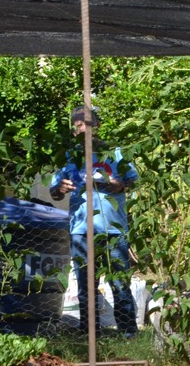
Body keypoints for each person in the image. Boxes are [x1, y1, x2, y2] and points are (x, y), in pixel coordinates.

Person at [49, 104, 138, 336]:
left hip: (113, 229)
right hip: (82, 229)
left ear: (98, 126)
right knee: (86, 285)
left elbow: (131, 180)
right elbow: (54, 192)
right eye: (79, 125)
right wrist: (60, 187)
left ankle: (128, 332)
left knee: (120, 283)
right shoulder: (69, 156)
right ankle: (90, 332)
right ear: (74, 131)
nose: (84, 129)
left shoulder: (115, 153)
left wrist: (121, 184)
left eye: (88, 124)